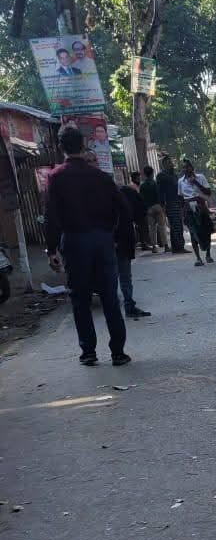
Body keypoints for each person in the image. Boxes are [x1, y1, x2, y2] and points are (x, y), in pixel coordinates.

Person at [44, 125, 131, 366]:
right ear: (83, 146)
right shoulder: (101, 177)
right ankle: (118, 352)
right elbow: (124, 208)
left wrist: (51, 249)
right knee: (109, 297)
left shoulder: (56, 177)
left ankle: (89, 352)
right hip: (102, 240)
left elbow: (52, 216)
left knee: (80, 298)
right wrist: (115, 235)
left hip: (74, 241)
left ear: (61, 147)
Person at [116, 182, 151, 320]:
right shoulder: (127, 192)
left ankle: (114, 309)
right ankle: (129, 305)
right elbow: (141, 211)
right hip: (123, 239)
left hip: (104, 240)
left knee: (110, 277)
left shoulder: (97, 194)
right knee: (125, 276)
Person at [179, 159, 215, 266]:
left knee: (207, 230)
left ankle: (208, 254)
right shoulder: (180, 181)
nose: (186, 169)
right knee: (193, 232)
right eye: (184, 167)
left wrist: (196, 182)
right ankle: (198, 258)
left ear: (192, 167)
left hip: (201, 206)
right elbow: (180, 198)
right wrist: (182, 212)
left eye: (188, 167)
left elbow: (208, 192)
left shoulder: (201, 177)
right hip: (189, 208)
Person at [157, 155, 186, 253]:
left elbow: (179, 189)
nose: (171, 164)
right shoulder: (161, 176)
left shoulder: (174, 175)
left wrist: (182, 201)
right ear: (164, 164)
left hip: (177, 202)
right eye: (169, 162)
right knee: (175, 225)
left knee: (179, 225)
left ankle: (179, 246)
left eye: (171, 162)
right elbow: (160, 191)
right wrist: (162, 204)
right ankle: (177, 247)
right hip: (169, 203)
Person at [140, 165, 169, 253]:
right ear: (152, 173)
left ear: (144, 174)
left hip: (149, 208)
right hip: (158, 206)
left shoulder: (142, 186)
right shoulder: (156, 184)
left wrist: (146, 208)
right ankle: (166, 246)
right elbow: (160, 195)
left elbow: (141, 199)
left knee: (152, 228)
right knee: (162, 227)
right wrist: (163, 206)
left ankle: (154, 247)